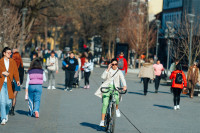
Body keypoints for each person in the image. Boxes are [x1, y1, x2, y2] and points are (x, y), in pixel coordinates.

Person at [94, 58, 127, 127]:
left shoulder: (119, 71)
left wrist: (124, 86)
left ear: (117, 64)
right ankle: (102, 121)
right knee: (105, 104)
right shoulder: (108, 70)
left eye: (116, 64)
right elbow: (103, 77)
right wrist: (108, 69)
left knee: (117, 98)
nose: (114, 66)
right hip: (106, 88)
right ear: (111, 64)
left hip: (115, 88)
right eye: (113, 64)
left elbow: (122, 79)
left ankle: (117, 109)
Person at [0, 47, 20, 125]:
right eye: (8, 53)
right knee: (2, 102)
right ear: (4, 53)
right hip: (1, 84)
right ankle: (3, 118)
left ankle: (6, 113)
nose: (10, 54)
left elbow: (15, 72)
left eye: (10, 53)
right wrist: (2, 73)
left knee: (8, 102)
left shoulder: (12, 61)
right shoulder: (0, 61)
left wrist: (17, 80)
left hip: (9, 84)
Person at [9, 48, 24, 116]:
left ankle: (8, 107)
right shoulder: (21, 64)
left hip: (11, 80)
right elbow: (22, 74)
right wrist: (21, 82)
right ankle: (12, 109)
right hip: (17, 81)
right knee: (14, 96)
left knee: (9, 94)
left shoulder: (11, 63)